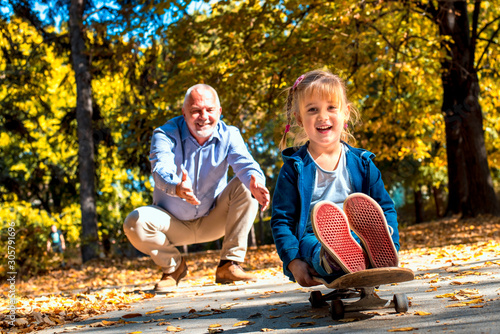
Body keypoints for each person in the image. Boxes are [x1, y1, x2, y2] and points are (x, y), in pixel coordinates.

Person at [124, 84, 270, 292]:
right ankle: (173, 267)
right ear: (184, 113)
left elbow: (245, 164)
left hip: (213, 218)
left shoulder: (230, 134)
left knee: (247, 186)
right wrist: (176, 187)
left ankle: (229, 264)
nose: (203, 116)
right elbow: (160, 169)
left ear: (219, 112)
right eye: (195, 111)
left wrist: (255, 180)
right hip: (172, 223)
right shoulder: (164, 134)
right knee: (134, 222)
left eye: (209, 110)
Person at [271, 70, 399, 287]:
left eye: (331, 107)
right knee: (314, 248)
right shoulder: (295, 169)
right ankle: (331, 260)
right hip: (314, 236)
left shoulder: (362, 163)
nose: (323, 116)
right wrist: (292, 261)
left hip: (358, 230)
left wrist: (392, 244)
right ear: (300, 119)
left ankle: (374, 253)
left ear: (346, 113)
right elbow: (282, 220)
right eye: (313, 110)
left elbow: (384, 207)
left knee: (363, 240)